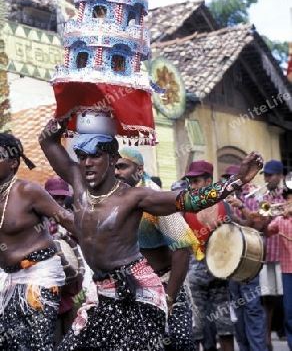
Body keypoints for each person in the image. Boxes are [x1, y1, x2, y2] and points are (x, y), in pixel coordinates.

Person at [38, 118, 263, 350]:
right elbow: (48, 142)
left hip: (135, 291)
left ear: (112, 159)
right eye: (82, 156)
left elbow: (190, 201)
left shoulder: (135, 197)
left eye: (95, 156)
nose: (87, 163)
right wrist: (66, 115)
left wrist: (237, 181)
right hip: (102, 291)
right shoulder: (78, 182)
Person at [115, 146, 198, 350]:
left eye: (122, 166)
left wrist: (169, 298)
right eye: (114, 168)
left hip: (164, 285)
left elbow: (182, 247)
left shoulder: (156, 201)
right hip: (130, 287)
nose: (116, 172)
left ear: (139, 170)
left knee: (179, 342)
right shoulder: (112, 201)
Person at [0, 133, 76, 350]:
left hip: (39, 275)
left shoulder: (28, 192)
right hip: (7, 279)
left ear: (13, 162)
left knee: (37, 343)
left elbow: (70, 222)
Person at [184, 160, 235, 351]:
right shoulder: (185, 206)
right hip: (200, 272)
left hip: (218, 271)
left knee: (224, 324)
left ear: (208, 182)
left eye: (197, 181)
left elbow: (231, 238)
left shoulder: (224, 206)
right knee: (196, 327)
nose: (193, 186)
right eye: (191, 182)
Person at [223, 165, 268, 351]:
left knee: (252, 307)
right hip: (231, 262)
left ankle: (258, 348)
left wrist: (241, 207)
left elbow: (259, 224)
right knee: (238, 310)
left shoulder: (253, 198)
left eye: (232, 180)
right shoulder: (222, 202)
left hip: (249, 260)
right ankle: (244, 347)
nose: (229, 184)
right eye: (227, 180)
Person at [45, 177, 84, 349]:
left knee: (68, 335)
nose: (58, 202)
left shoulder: (69, 221)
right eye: (54, 197)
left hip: (68, 290)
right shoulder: (37, 222)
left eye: (61, 198)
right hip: (45, 289)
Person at [258, 159, 286, 351]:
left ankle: (283, 330)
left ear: (280, 176)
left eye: (270, 175)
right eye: (266, 176)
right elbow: (262, 225)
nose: (267, 179)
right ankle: (267, 338)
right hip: (268, 255)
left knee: (283, 297)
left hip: (285, 254)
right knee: (267, 299)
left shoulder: (287, 197)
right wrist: (266, 212)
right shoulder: (264, 199)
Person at [260, 187, 292, 351]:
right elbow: (266, 233)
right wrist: (266, 218)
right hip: (287, 270)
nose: (289, 203)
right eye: (288, 199)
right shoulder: (280, 221)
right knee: (289, 310)